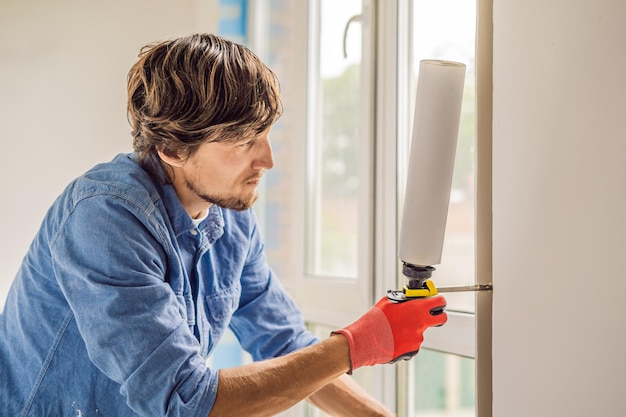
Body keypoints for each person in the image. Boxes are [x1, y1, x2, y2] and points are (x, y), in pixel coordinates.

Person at [0, 33, 447, 417]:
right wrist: (357, 345)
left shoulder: (230, 221)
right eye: (242, 140)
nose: (267, 160)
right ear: (171, 148)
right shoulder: (104, 219)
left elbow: (285, 345)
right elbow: (184, 401)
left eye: (267, 133)